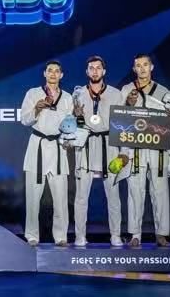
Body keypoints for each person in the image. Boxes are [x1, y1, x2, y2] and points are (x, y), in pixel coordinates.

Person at [118, 53, 170, 247]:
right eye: (138, 65)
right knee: (135, 190)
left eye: (145, 65)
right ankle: (135, 234)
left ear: (151, 67)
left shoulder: (164, 91)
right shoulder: (127, 89)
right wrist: (128, 103)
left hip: (158, 146)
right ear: (134, 69)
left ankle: (161, 233)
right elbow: (119, 119)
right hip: (136, 146)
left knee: (160, 190)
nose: (142, 68)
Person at [71, 56, 124, 247]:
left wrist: (123, 152)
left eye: (98, 68)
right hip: (86, 146)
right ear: (87, 72)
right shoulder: (77, 94)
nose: (95, 71)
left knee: (114, 196)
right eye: (91, 68)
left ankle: (116, 235)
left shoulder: (116, 94)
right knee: (81, 197)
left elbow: (123, 124)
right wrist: (75, 115)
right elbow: (72, 124)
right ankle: (79, 236)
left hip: (109, 145)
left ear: (104, 71)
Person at [20, 60, 75, 246]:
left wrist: (68, 141)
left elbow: (70, 125)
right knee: (33, 196)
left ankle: (61, 236)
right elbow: (24, 120)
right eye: (49, 70)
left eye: (56, 71)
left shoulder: (67, 98)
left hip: (58, 147)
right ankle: (31, 235)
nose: (53, 74)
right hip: (38, 146)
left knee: (60, 197)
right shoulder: (33, 93)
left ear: (61, 75)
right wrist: (37, 108)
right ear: (44, 73)